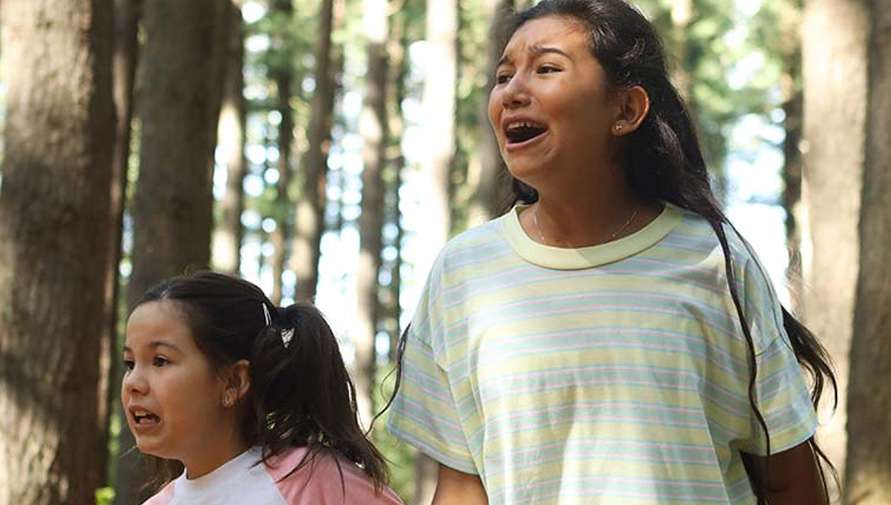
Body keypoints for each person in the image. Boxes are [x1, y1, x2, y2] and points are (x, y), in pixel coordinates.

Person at [386, 1, 836, 504]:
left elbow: (789, 477)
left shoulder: (713, 258)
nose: (512, 92)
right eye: (504, 75)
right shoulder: (464, 272)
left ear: (625, 110)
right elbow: (464, 488)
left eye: (546, 68)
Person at [121, 271, 403, 504]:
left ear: (233, 381)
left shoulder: (311, 480)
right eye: (130, 363)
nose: (133, 382)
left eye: (160, 360)